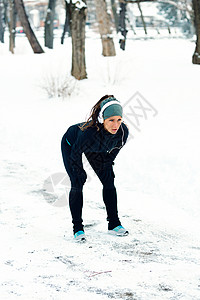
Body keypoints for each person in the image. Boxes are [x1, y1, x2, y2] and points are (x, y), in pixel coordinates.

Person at [61, 95, 129, 242]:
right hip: (72, 144)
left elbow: (111, 155)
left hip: (94, 148)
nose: (115, 125)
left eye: (119, 119)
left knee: (108, 179)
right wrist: (79, 172)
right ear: (102, 119)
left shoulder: (123, 133)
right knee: (77, 182)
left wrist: (106, 166)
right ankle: (77, 228)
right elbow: (75, 154)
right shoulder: (88, 133)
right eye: (111, 120)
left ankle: (114, 224)